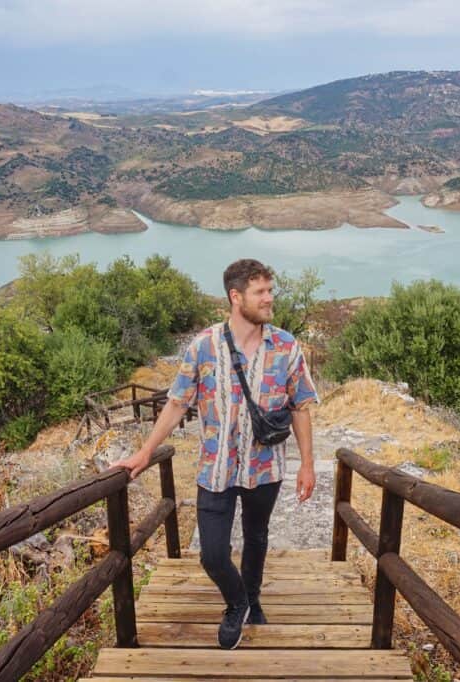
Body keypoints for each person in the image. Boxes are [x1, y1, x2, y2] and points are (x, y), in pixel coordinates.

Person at [116, 258, 319, 649]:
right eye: (260, 292)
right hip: (215, 469)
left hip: (265, 468)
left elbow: (301, 407)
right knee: (211, 553)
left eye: (270, 291)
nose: (268, 299)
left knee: (256, 537)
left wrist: (307, 465)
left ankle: (254, 598)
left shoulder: (286, 346)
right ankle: (237, 601)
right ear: (235, 295)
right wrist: (145, 452)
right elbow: (176, 404)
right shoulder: (203, 346)